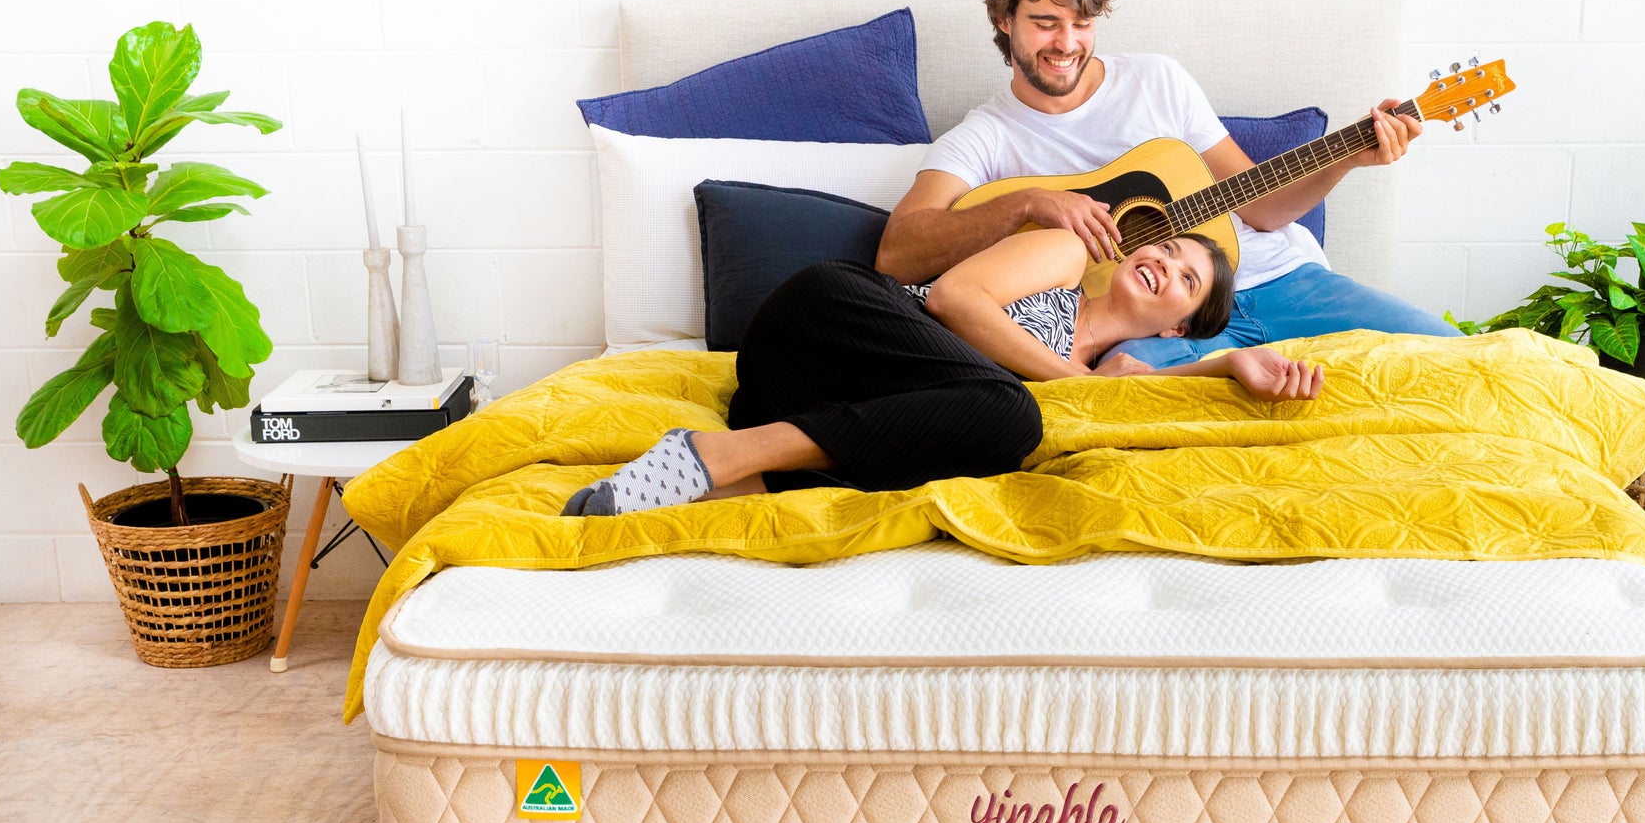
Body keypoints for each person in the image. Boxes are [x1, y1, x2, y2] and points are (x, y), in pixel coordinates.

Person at [875, 0, 1453, 371]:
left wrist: (1347, 158)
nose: (1066, 44)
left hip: (1283, 280)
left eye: (1082, 24)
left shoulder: (1157, 81)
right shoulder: (986, 136)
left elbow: (1261, 208)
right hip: (1153, 326)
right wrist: (1027, 203)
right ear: (1005, 22)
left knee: (1452, 354)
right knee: (1125, 413)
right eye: (1045, 24)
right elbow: (898, 254)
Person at [562, 229, 1322, 517]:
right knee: (1013, 417)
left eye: (1187, 278)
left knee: (971, 452)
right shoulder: (1062, 258)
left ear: (1180, 327)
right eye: (1164, 249)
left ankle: (719, 477)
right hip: (831, 319)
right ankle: (717, 456)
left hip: (806, 408)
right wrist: (1066, 379)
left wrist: (1226, 363)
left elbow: (1138, 400)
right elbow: (956, 298)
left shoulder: (1114, 374)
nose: (1164, 263)